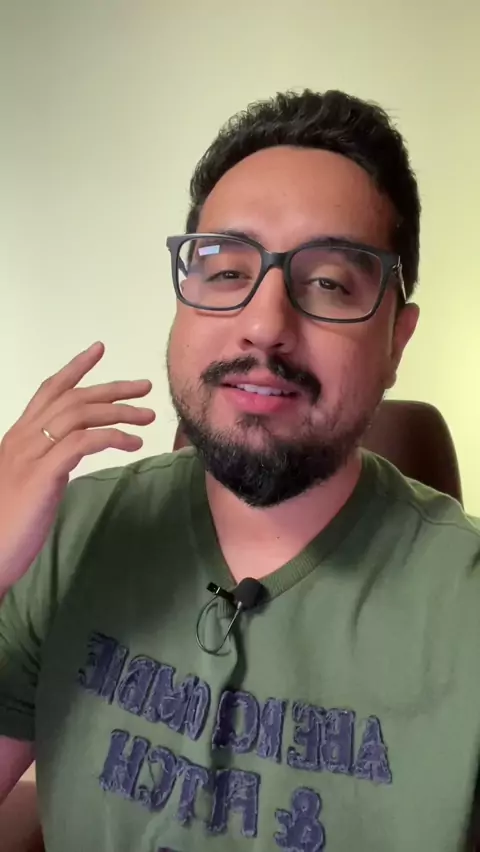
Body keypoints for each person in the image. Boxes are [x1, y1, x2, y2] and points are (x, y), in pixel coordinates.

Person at [0, 88, 479, 852]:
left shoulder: (465, 605)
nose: (264, 324)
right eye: (226, 271)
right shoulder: (65, 536)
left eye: (329, 282)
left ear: (396, 340)